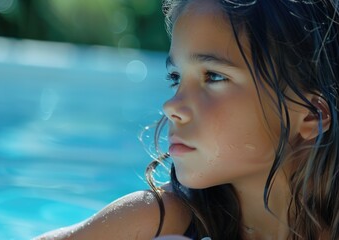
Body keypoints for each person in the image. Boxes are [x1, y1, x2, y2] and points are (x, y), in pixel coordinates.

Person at [34, 0, 339, 239]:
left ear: (311, 116)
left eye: (214, 76)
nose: (172, 105)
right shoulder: (158, 221)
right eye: (175, 77)